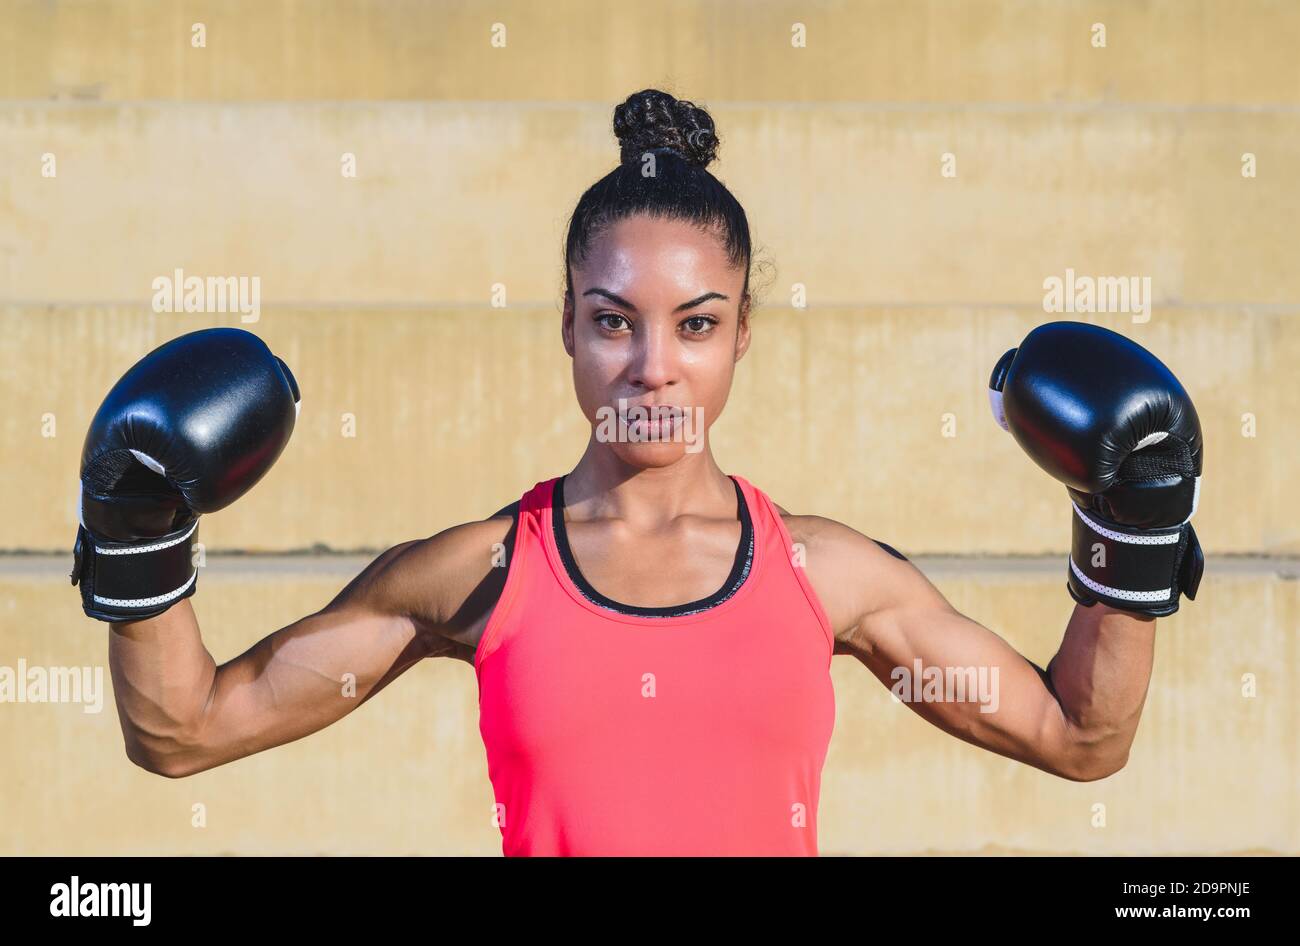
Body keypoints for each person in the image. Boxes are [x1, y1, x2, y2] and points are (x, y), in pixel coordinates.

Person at [73, 89, 1203, 857]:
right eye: (614, 321)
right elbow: (186, 731)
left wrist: (1130, 533)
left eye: (696, 324)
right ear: (566, 323)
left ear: (744, 332)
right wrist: (138, 538)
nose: (653, 366)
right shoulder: (477, 573)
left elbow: (1077, 736)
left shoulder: (829, 575)